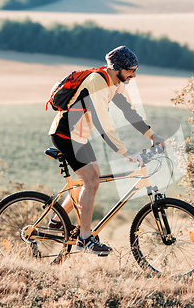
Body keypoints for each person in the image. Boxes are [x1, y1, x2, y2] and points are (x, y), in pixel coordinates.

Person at [48, 46, 166, 255]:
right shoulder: (97, 83)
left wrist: (152, 135)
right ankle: (85, 238)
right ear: (117, 68)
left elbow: (129, 112)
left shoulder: (116, 84)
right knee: (92, 179)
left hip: (79, 136)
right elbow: (103, 124)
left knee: (90, 178)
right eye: (131, 70)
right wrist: (125, 152)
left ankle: (58, 218)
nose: (134, 74)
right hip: (65, 134)